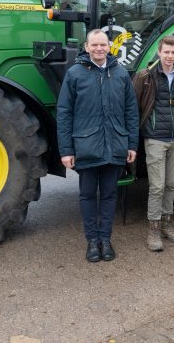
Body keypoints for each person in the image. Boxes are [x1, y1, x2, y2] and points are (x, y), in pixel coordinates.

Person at [57, 29, 139, 262]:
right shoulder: (74, 74)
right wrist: (66, 150)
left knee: (110, 195)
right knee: (88, 195)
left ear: (109, 46)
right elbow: (64, 114)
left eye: (103, 45)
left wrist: (131, 144)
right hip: (87, 147)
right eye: (94, 45)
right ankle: (92, 241)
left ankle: (105, 239)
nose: (99, 49)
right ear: (86, 47)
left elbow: (131, 112)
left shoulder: (121, 74)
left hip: (115, 146)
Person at [132, 35, 174, 252]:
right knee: (156, 186)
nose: (169, 56)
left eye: (173, 52)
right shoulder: (145, 76)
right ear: (159, 52)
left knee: (170, 184)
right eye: (166, 52)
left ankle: (167, 224)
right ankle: (153, 230)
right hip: (155, 138)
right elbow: (134, 106)